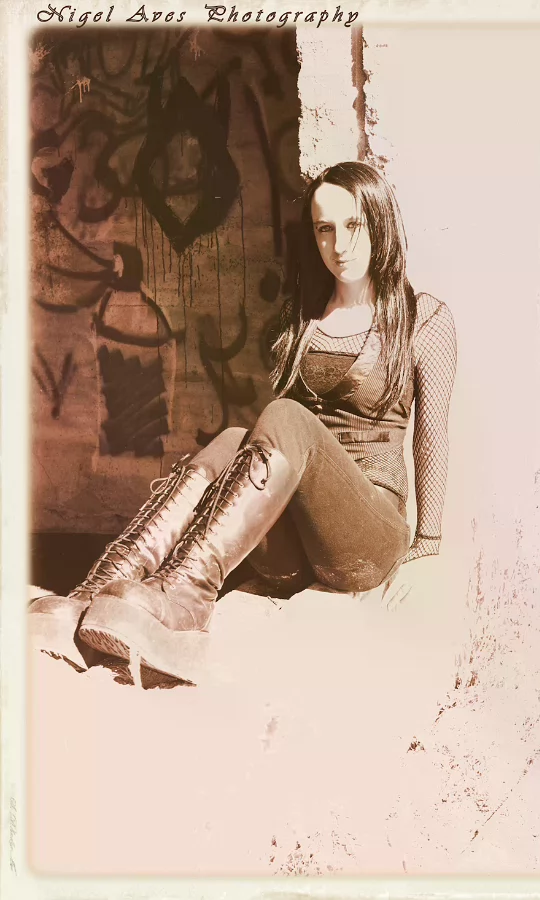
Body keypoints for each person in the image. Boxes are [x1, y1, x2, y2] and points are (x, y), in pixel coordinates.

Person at [29, 161, 457, 686]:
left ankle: (187, 598)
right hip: (294, 548)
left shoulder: (423, 318)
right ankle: (98, 594)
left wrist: (428, 543)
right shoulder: (304, 317)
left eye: (354, 225)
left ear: (380, 221)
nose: (339, 244)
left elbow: (432, 434)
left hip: (365, 537)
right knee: (234, 438)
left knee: (283, 416)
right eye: (324, 228)